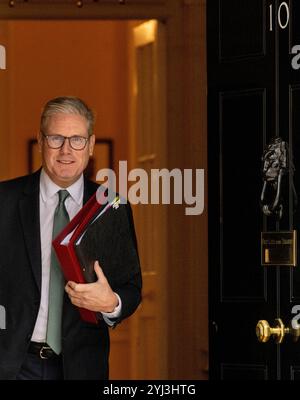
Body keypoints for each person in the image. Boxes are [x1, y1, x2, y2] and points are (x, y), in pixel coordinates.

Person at [0, 96, 142, 380]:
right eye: (56, 138)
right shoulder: (4, 200)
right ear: (40, 141)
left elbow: (131, 288)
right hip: (13, 366)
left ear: (90, 145)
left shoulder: (112, 205)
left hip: (81, 368)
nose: (66, 150)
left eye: (76, 139)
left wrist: (111, 302)